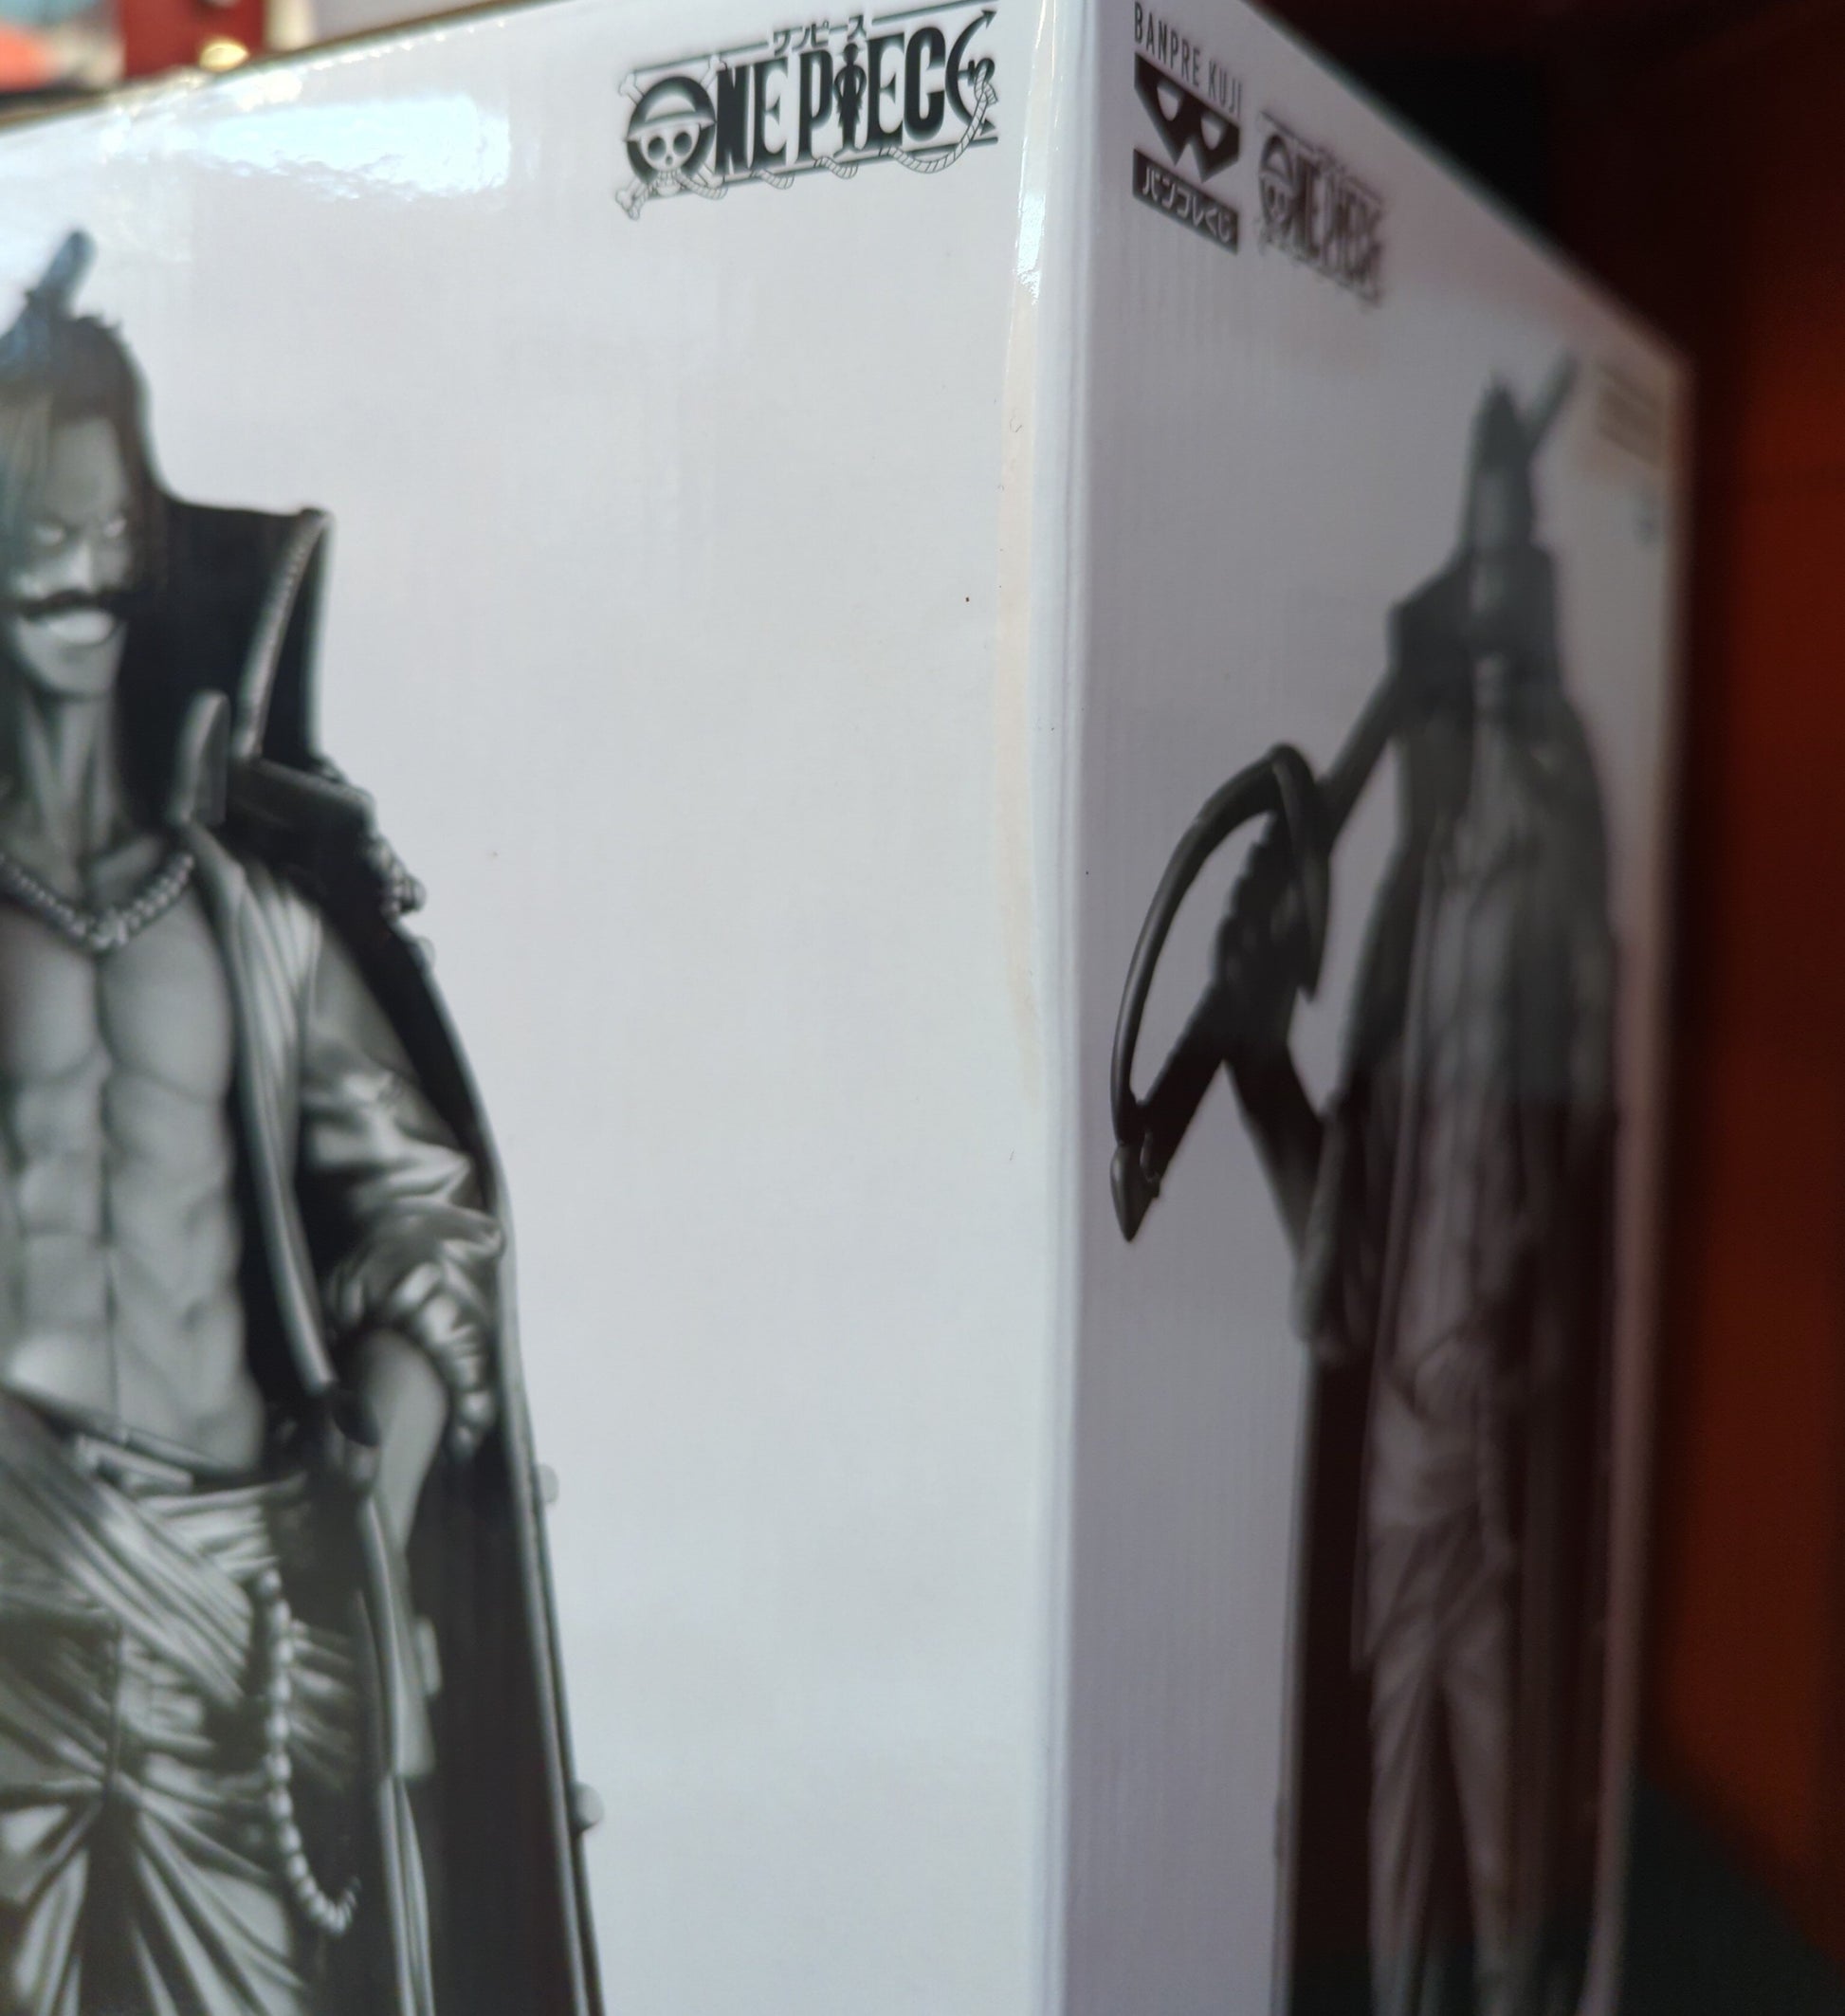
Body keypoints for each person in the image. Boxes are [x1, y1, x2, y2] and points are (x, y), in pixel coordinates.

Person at [0, 232, 594, 2016]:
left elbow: (436, 1219)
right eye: (40, 524)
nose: (80, 565)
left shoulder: (253, 924)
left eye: (109, 524)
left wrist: (368, 1508)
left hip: (244, 1649)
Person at [1224, 375, 1615, 2016]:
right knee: (1385, 1831)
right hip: (1399, 1450)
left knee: (1507, 1841)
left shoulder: (1555, 860)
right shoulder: (1396, 923)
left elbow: (1575, 1156)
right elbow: (1339, 1225)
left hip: (1494, 1452)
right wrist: (1253, 1048)